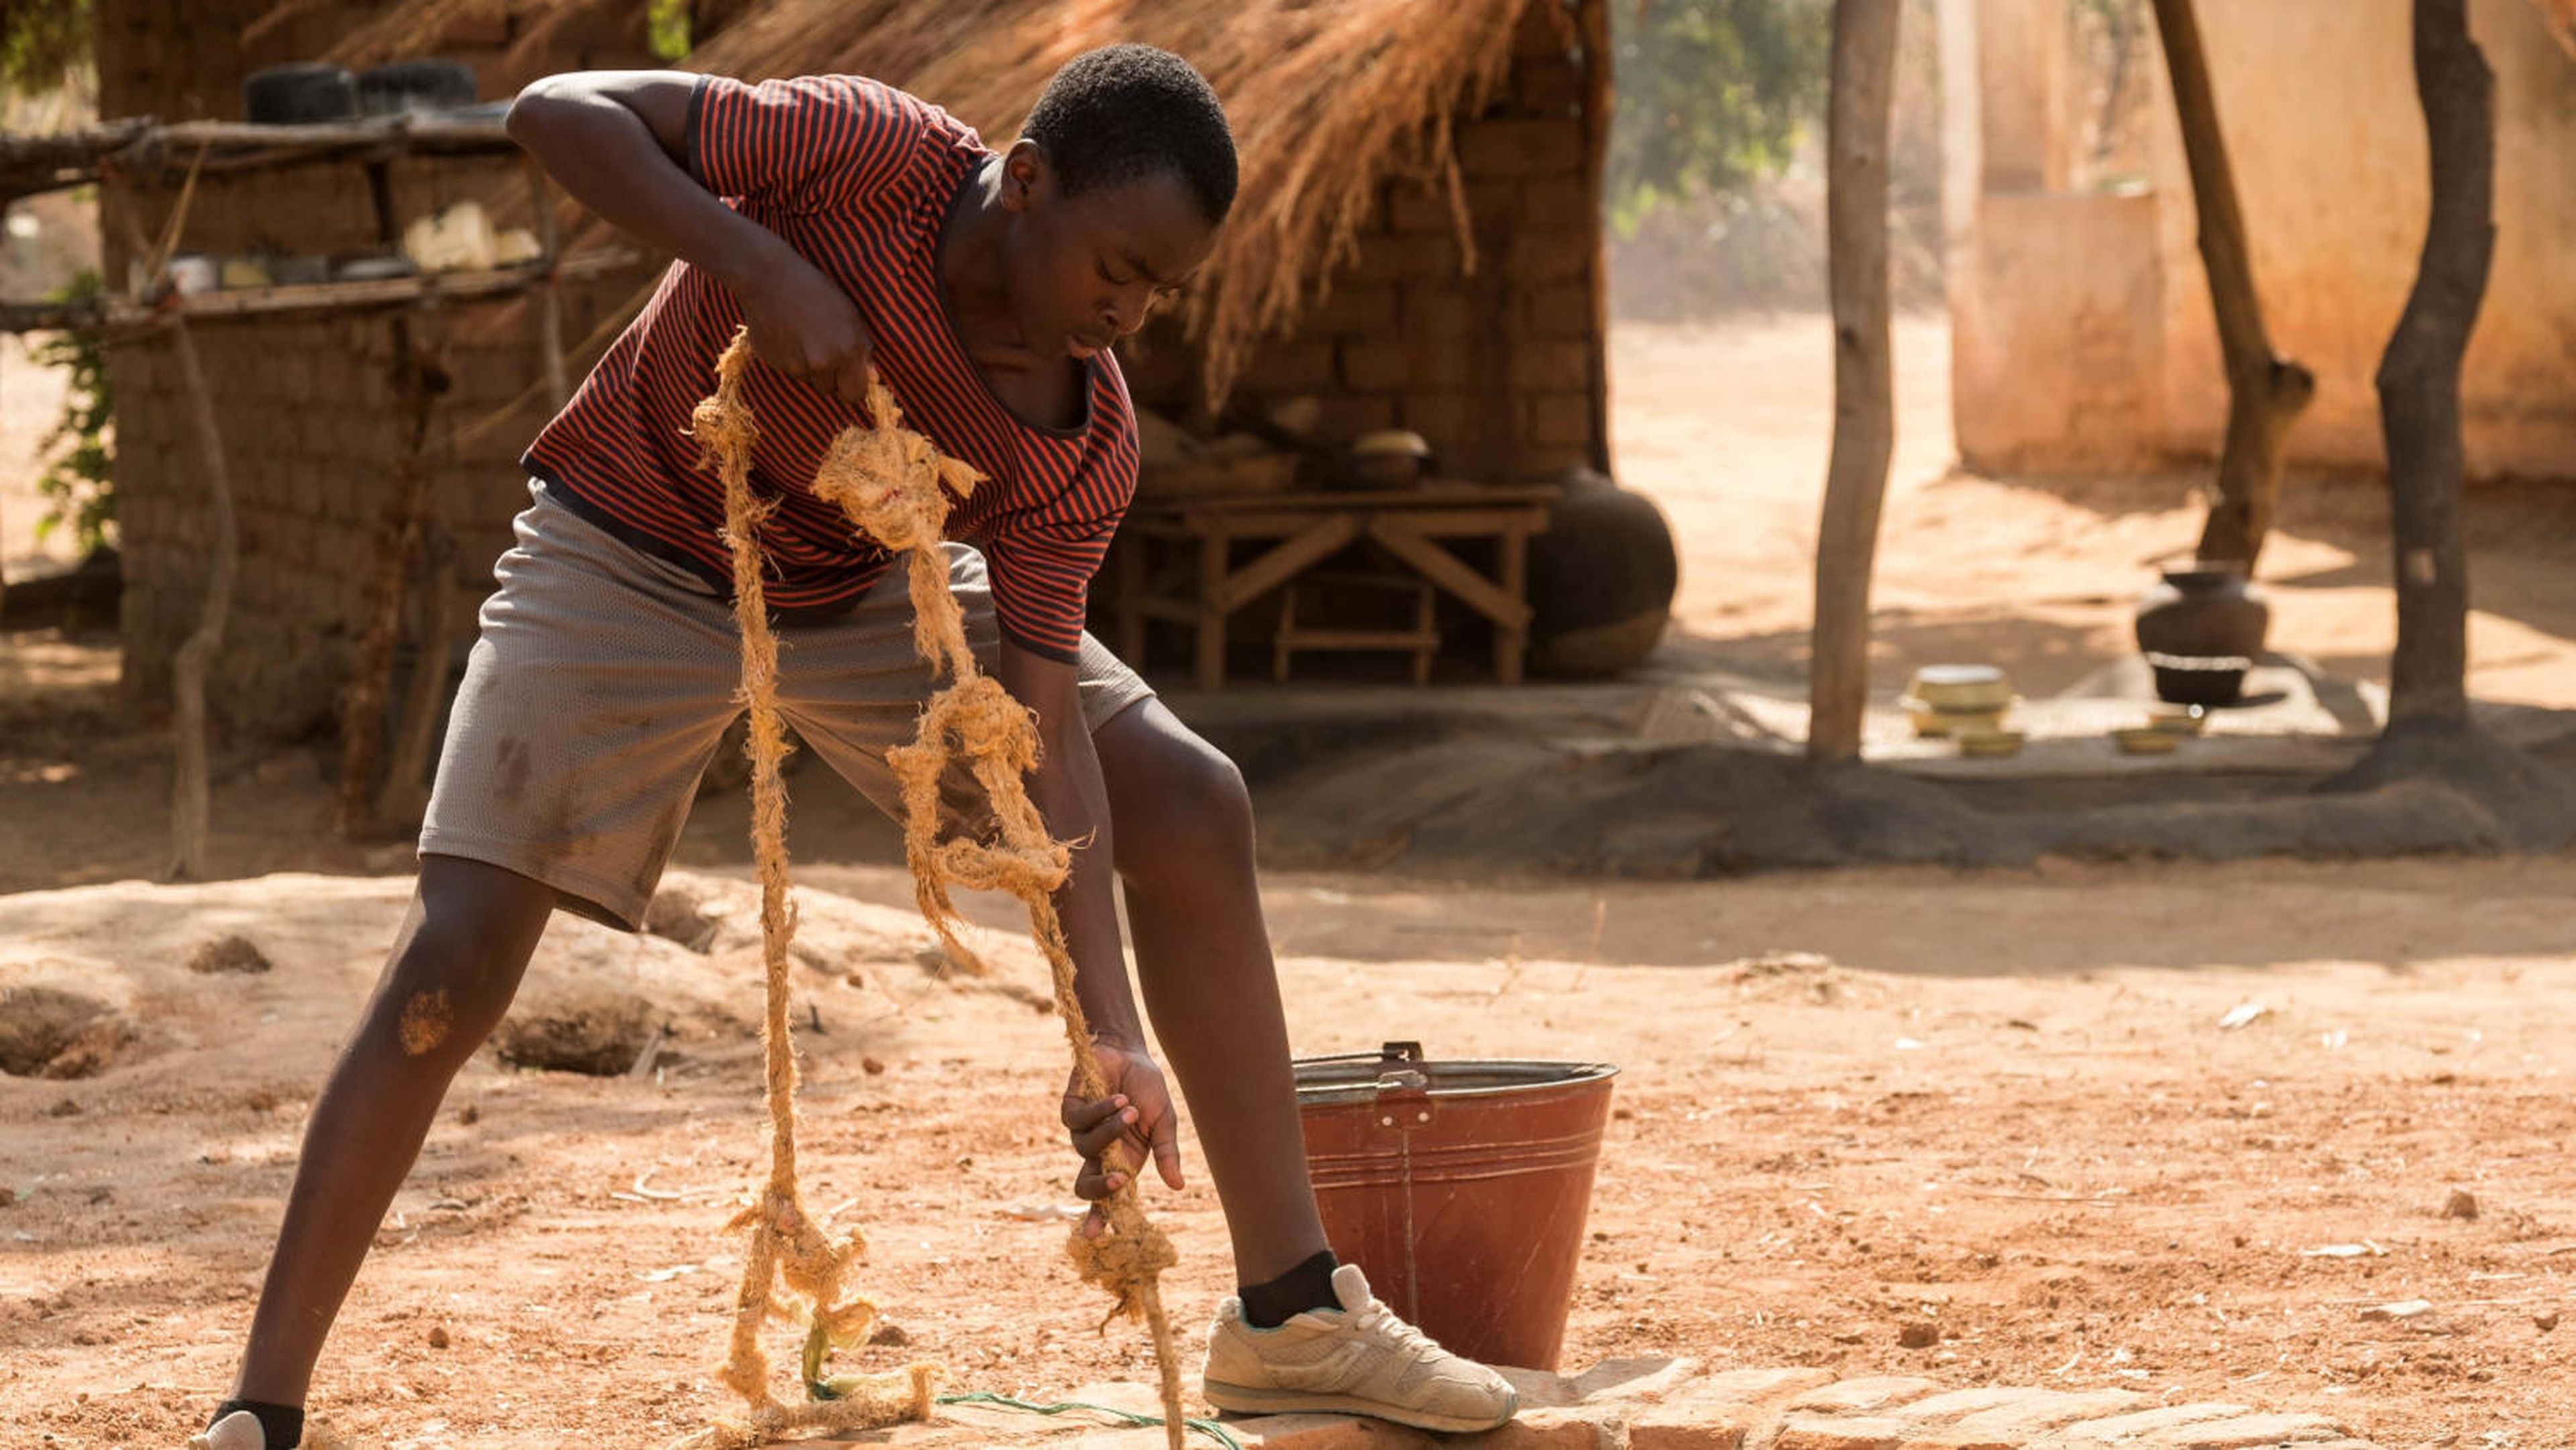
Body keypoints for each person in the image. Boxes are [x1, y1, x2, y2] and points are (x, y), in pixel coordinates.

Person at [193, 44, 1517, 1450]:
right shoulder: (863, 154)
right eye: (1114, 266)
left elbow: (1039, 721)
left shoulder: (1077, 436)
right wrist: (757, 264)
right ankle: (261, 1403)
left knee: (1189, 797)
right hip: (628, 548)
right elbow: (553, 115)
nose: (1124, 315)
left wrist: (1108, 1027)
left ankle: (1290, 1311)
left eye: (1157, 293)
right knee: (451, 966)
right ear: (1027, 184)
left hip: (869, 587)